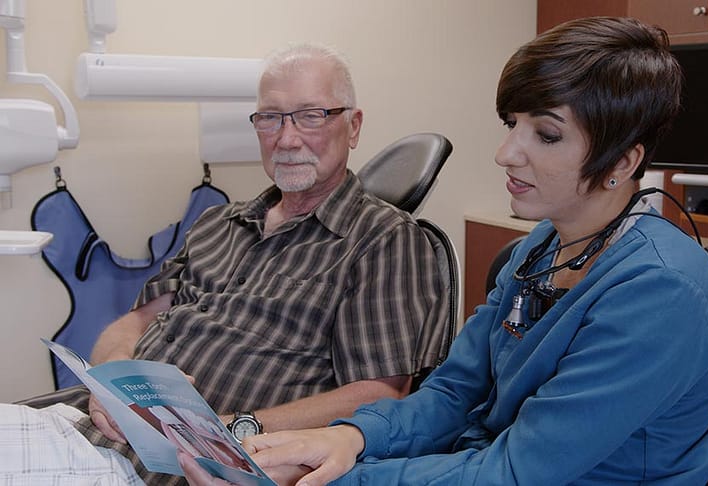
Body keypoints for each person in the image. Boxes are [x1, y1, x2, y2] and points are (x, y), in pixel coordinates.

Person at [182, 17, 708, 485]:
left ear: (622, 163)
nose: (505, 153)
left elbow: (519, 471)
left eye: (545, 135)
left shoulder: (661, 290)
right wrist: (348, 437)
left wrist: (337, 476)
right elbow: (452, 391)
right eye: (511, 125)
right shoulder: (540, 248)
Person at [7, 42, 448, 485]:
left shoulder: (385, 240)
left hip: (173, 472)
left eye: (311, 115)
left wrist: (233, 429)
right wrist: (110, 382)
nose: (287, 138)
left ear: (352, 126)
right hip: (85, 431)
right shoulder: (217, 222)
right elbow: (133, 322)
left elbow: (380, 393)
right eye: (270, 117)